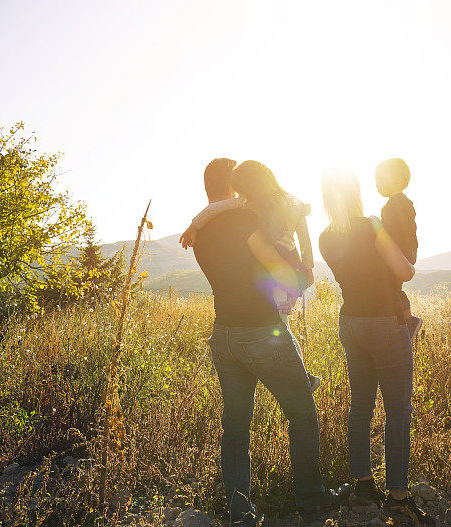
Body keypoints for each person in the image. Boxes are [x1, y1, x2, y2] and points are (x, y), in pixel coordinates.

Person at [181, 158, 350, 526]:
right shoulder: (246, 223)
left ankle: (241, 513)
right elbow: (281, 272)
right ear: (234, 188)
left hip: (223, 335)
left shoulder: (201, 232)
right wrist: (300, 277)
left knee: (236, 427)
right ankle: (311, 499)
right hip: (260, 332)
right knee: (303, 414)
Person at [318, 169, 434, 525]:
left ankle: (363, 485)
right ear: (356, 193)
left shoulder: (325, 236)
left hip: (350, 322)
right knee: (398, 409)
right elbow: (407, 270)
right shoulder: (371, 226)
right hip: (384, 322)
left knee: (360, 405)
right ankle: (398, 496)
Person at [180, 160, 321, 391]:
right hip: (294, 267)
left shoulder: (248, 205)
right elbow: (306, 244)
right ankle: (302, 377)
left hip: (280, 271)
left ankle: (302, 378)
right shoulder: (291, 202)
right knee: (283, 324)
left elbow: (214, 209)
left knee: (282, 326)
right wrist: (306, 270)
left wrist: (194, 225)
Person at [375, 158, 423, 342]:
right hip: (407, 250)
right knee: (393, 286)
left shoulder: (394, 205)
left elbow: (392, 231)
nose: (377, 185)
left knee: (390, 286)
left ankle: (409, 320)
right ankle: (406, 319)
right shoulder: (402, 202)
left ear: (395, 179)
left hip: (401, 251)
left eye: (380, 179)